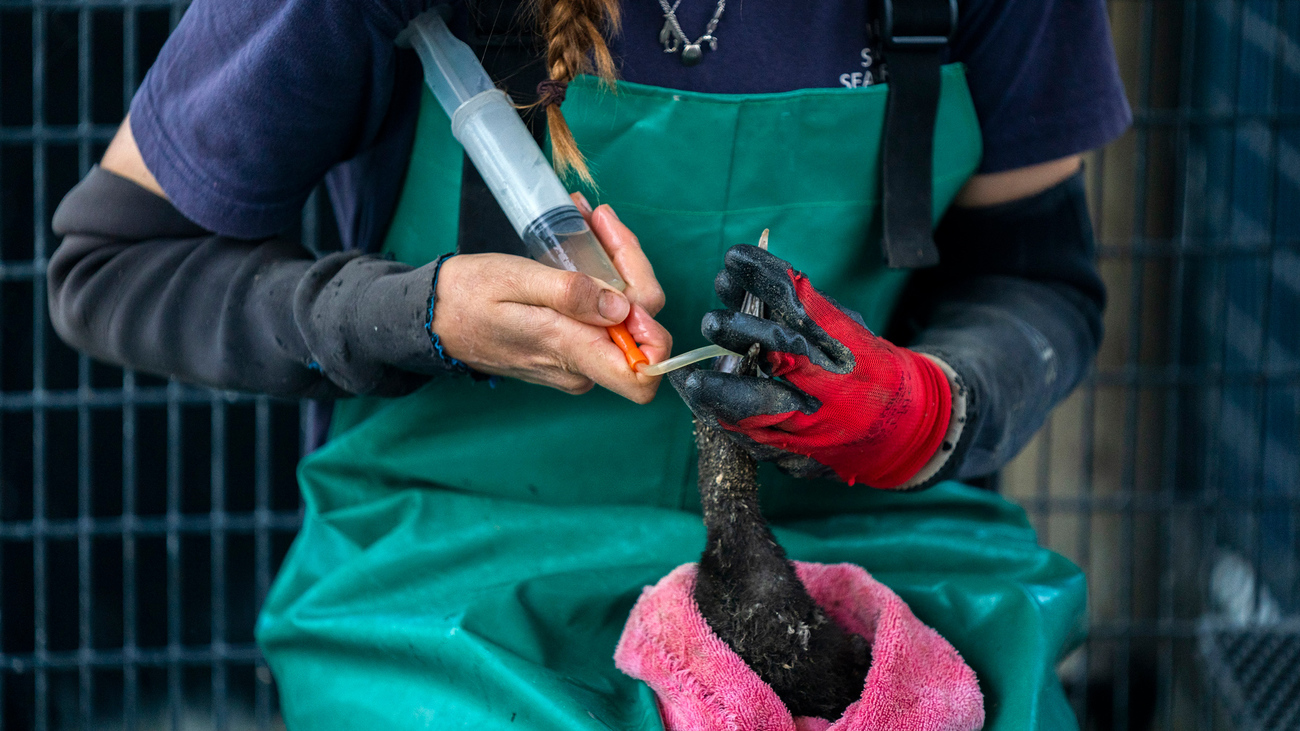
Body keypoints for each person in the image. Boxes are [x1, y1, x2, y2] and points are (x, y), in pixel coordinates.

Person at [48, 0, 1129, 727]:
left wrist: (929, 407)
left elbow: (1038, 278)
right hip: (453, 557)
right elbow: (112, 267)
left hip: (869, 532)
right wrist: (413, 312)